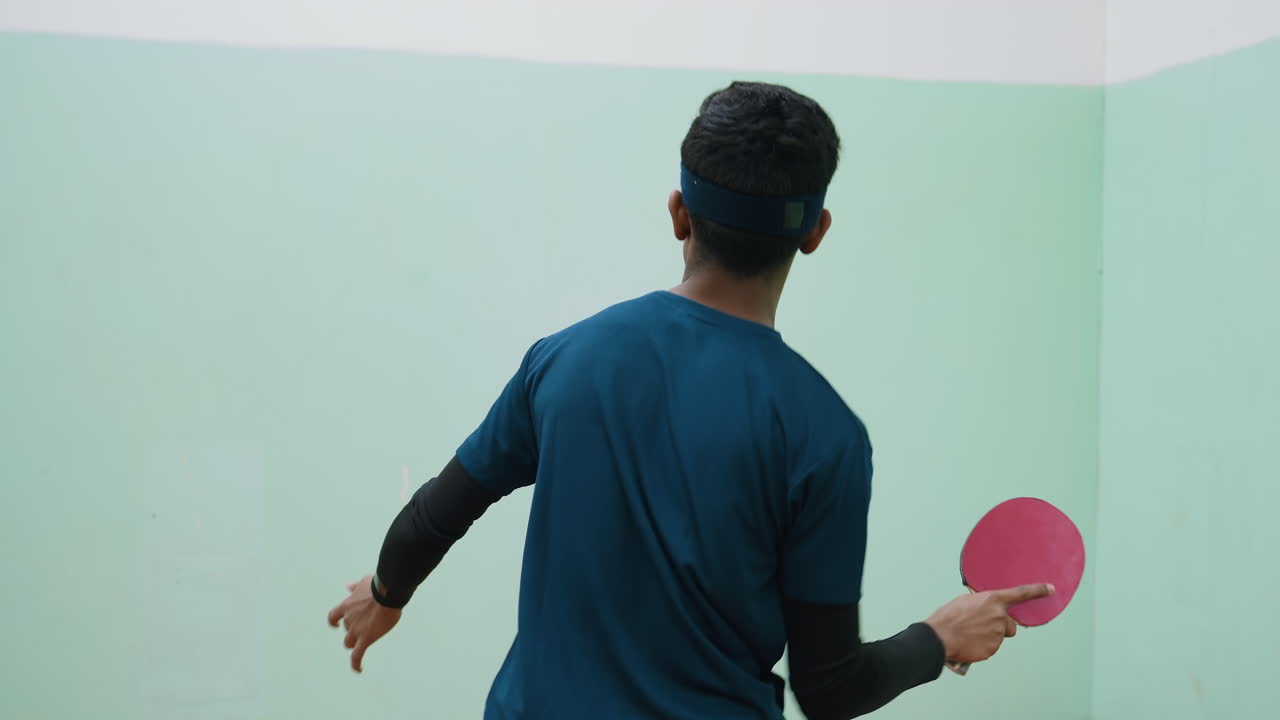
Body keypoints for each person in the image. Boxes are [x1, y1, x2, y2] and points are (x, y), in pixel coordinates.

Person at [327, 81, 1052, 719]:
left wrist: (386, 593)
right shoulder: (825, 436)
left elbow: (435, 514)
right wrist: (939, 638)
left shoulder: (566, 359)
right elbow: (830, 688)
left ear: (679, 213)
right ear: (815, 234)